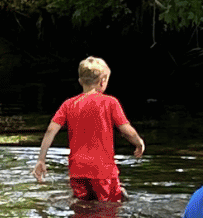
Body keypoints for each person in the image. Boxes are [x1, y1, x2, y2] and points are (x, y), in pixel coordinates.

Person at [33, 56, 145, 200]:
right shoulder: (110, 103)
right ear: (103, 81)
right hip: (103, 171)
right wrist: (138, 142)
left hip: (77, 171)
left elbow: (50, 130)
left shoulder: (68, 104)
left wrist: (41, 160)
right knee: (108, 210)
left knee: (82, 207)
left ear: (80, 81)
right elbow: (126, 130)